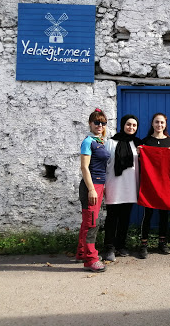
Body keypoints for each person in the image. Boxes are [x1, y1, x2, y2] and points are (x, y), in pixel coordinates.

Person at [102, 114, 142, 262]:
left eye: (134, 125)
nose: (131, 127)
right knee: (112, 218)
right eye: (128, 124)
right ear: (123, 125)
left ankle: (121, 245)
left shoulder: (138, 144)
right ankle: (109, 248)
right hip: (114, 185)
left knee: (125, 217)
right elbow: (103, 165)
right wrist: (103, 185)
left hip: (130, 186)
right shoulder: (111, 143)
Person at [76, 108, 110, 273]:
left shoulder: (100, 141)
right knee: (92, 223)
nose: (100, 125)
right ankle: (91, 259)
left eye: (103, 123)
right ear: (90, 123)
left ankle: (82, 252)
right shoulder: (88, 142)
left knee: (87, 221)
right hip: (92, 186)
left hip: (99, 185)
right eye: (96, 122)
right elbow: (84, 167)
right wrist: (91, 189)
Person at [139, 113, 170, 259]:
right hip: (149, 184)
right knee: (147, 214)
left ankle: (162, 243)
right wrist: (140, 152)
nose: (159, 125)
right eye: (156, 122)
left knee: (164, 214)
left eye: (161, 122)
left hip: (166, 184)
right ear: (152, 124)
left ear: (165, 124)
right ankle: (143, 245)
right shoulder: (146, 142)